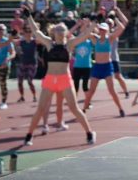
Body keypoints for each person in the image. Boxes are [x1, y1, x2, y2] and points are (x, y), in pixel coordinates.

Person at [23, 16, 96, 146]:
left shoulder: (70, 44)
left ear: (65, 32)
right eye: (58, 29)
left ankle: (89, 133)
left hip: (65, 80)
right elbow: (35, 31)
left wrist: (95, 21)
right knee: (40, 109)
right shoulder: (49, 43)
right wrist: (28, 17)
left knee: (74, 108)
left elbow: (85, 35)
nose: (60, 30)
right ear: (54, 32)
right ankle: (29, 135)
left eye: (62, 29)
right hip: (50, 80)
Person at [82, 19, 127, 117]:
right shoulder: (95, 39)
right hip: (98, 67)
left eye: (104, 30)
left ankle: (121, 109)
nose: (102, 31)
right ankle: (84, 108)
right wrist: (91, 24)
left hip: (107, 67)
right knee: (91, 91)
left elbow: (122, 28)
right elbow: (86, 33)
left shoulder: (110, 39)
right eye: (101, 29)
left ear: (107, 30)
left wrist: (114, 17)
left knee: (112, 90)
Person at [0, 24, 16, 108]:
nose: (0, 31)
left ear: (5, 31)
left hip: (3, 65)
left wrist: (8, 59)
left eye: (2, 29)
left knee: (3, 83)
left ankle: (4, 102)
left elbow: (13, 53)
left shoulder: (7, 41)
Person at [15, 24, 39, 103]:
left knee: (29, 80)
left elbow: (43, 40)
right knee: (19, 81)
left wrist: (36, 31)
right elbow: (13, 43)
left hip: (32, 63)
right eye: (26, 31)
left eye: (29, 31)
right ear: (24, 33)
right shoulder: (20, 42)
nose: (28, 33)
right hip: (23, 63)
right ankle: (22, 96)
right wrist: (18, 51)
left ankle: (34, 96)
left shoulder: (34, 41)